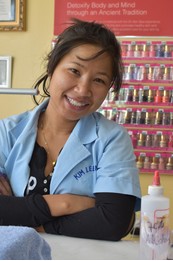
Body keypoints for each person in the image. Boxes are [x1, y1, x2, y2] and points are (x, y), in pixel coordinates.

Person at [0, 18, 141, 241]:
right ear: (52, 67)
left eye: (99, 80)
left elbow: (113, 222)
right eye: (74, 70)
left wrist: (31, 220)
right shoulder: (6, 133)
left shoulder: (112, 139)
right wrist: (68, 204)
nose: (83, 90)